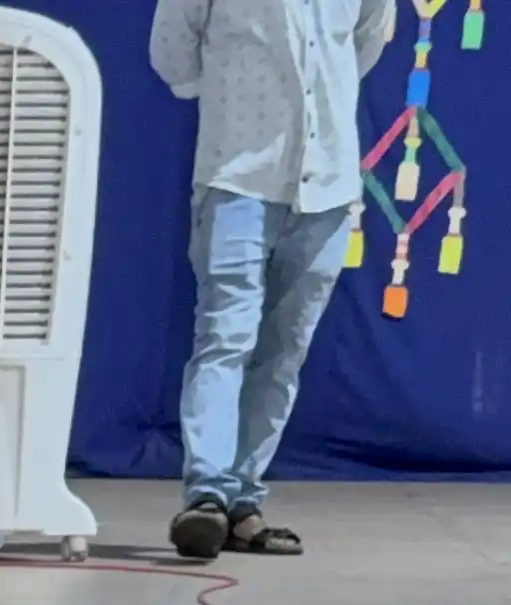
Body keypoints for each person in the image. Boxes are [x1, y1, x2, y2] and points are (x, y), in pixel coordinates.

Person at [149, 0, 397, 559]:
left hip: (327, 185)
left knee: (283, 351)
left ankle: (241, 503)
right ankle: (207, 494)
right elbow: (171, 50)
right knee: (225, 337)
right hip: (237, 174)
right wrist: (230, 104)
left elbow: (366, 40)